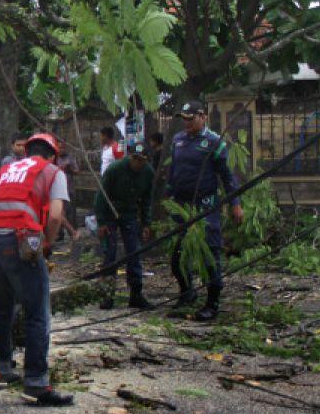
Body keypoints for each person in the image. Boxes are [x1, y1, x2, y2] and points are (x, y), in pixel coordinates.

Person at [0, 132, 73, 406]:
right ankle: (36, 383)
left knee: (1, 307)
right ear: (53, 155)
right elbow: (55, 215)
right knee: (37, 312)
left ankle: (1, 370)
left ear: (27, 150)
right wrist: (46, 243)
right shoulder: (53, 172)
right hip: (21, 241)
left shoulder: (6, 170)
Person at [167, 100, 244, 321]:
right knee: (178, 255)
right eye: (184, 118)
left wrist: (235, 203)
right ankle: (187, 292)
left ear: (202, 116)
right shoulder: (178, 140)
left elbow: (227, 176)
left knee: (210, 254)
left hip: (205, 206)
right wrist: (168, 195)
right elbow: (174, 171)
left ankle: (212, 303)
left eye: (190, 118)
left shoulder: (214, 142)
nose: (186, 122)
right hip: (181, 206)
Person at [94, 143, 156, 310]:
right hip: (110, 213)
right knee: (110, 254)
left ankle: (136, 293)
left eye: (141, 160)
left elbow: (146, 200)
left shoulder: (148, 172)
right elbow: (101, 195)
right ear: (130, 157)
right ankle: (107, 295)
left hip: (129, 213)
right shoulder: (115, 169)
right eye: (134, 158)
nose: (137, 162)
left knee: (134, 252)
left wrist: (145, 223)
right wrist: (101, 222)